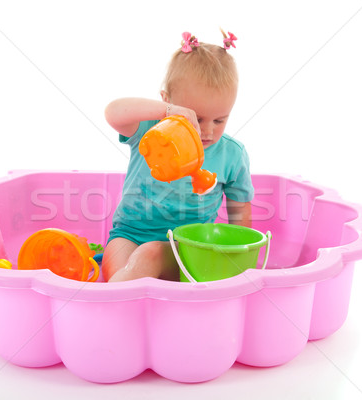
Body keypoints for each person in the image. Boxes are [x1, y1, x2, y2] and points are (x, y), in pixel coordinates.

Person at [102, 30, 254, 282]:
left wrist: (239, 262)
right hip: (129, 234)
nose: (206, 130)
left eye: (219, 120)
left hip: (188, 246)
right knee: (117, 274)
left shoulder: (232, 154)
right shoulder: (150, 130)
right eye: (196, 118)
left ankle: (133, 294)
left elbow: (240, 214)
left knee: (149, 255)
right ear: (167, 102)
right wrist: (168, 112)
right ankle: (122, 297)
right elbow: (113, 112)